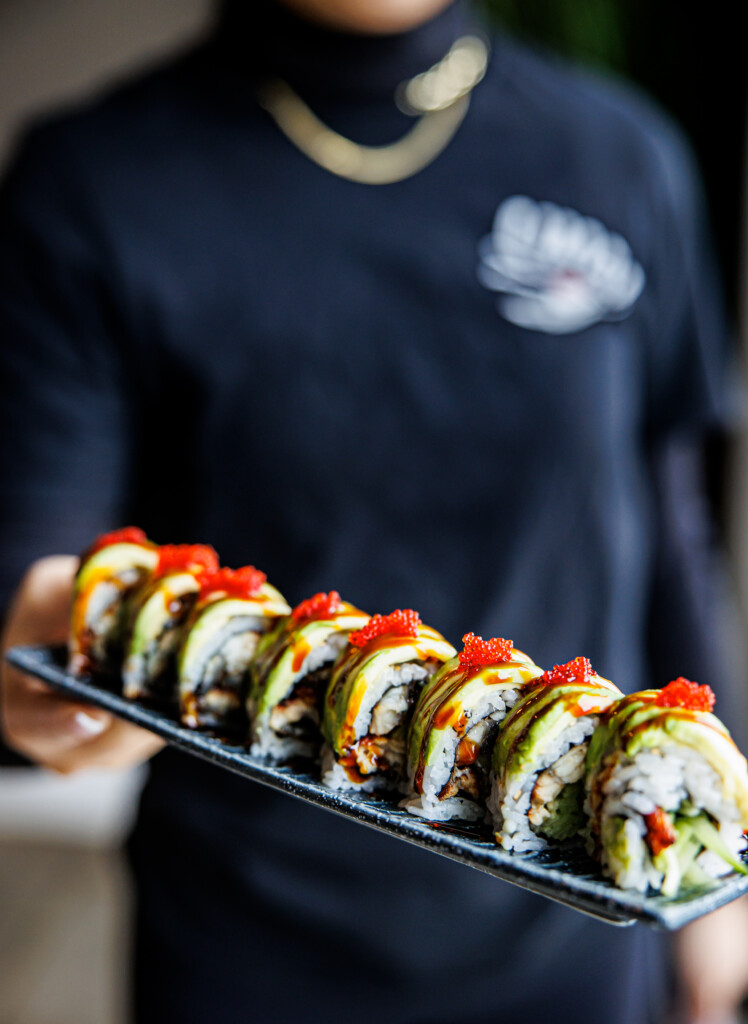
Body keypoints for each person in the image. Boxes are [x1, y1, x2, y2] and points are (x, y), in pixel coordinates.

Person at [1, 1, 746, 1021]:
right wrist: (37, 677)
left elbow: (671, 540)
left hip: (582, 927)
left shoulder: (619, 153)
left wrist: (720, 887)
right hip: (248, 949)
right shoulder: (90, 183)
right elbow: (28, 579)